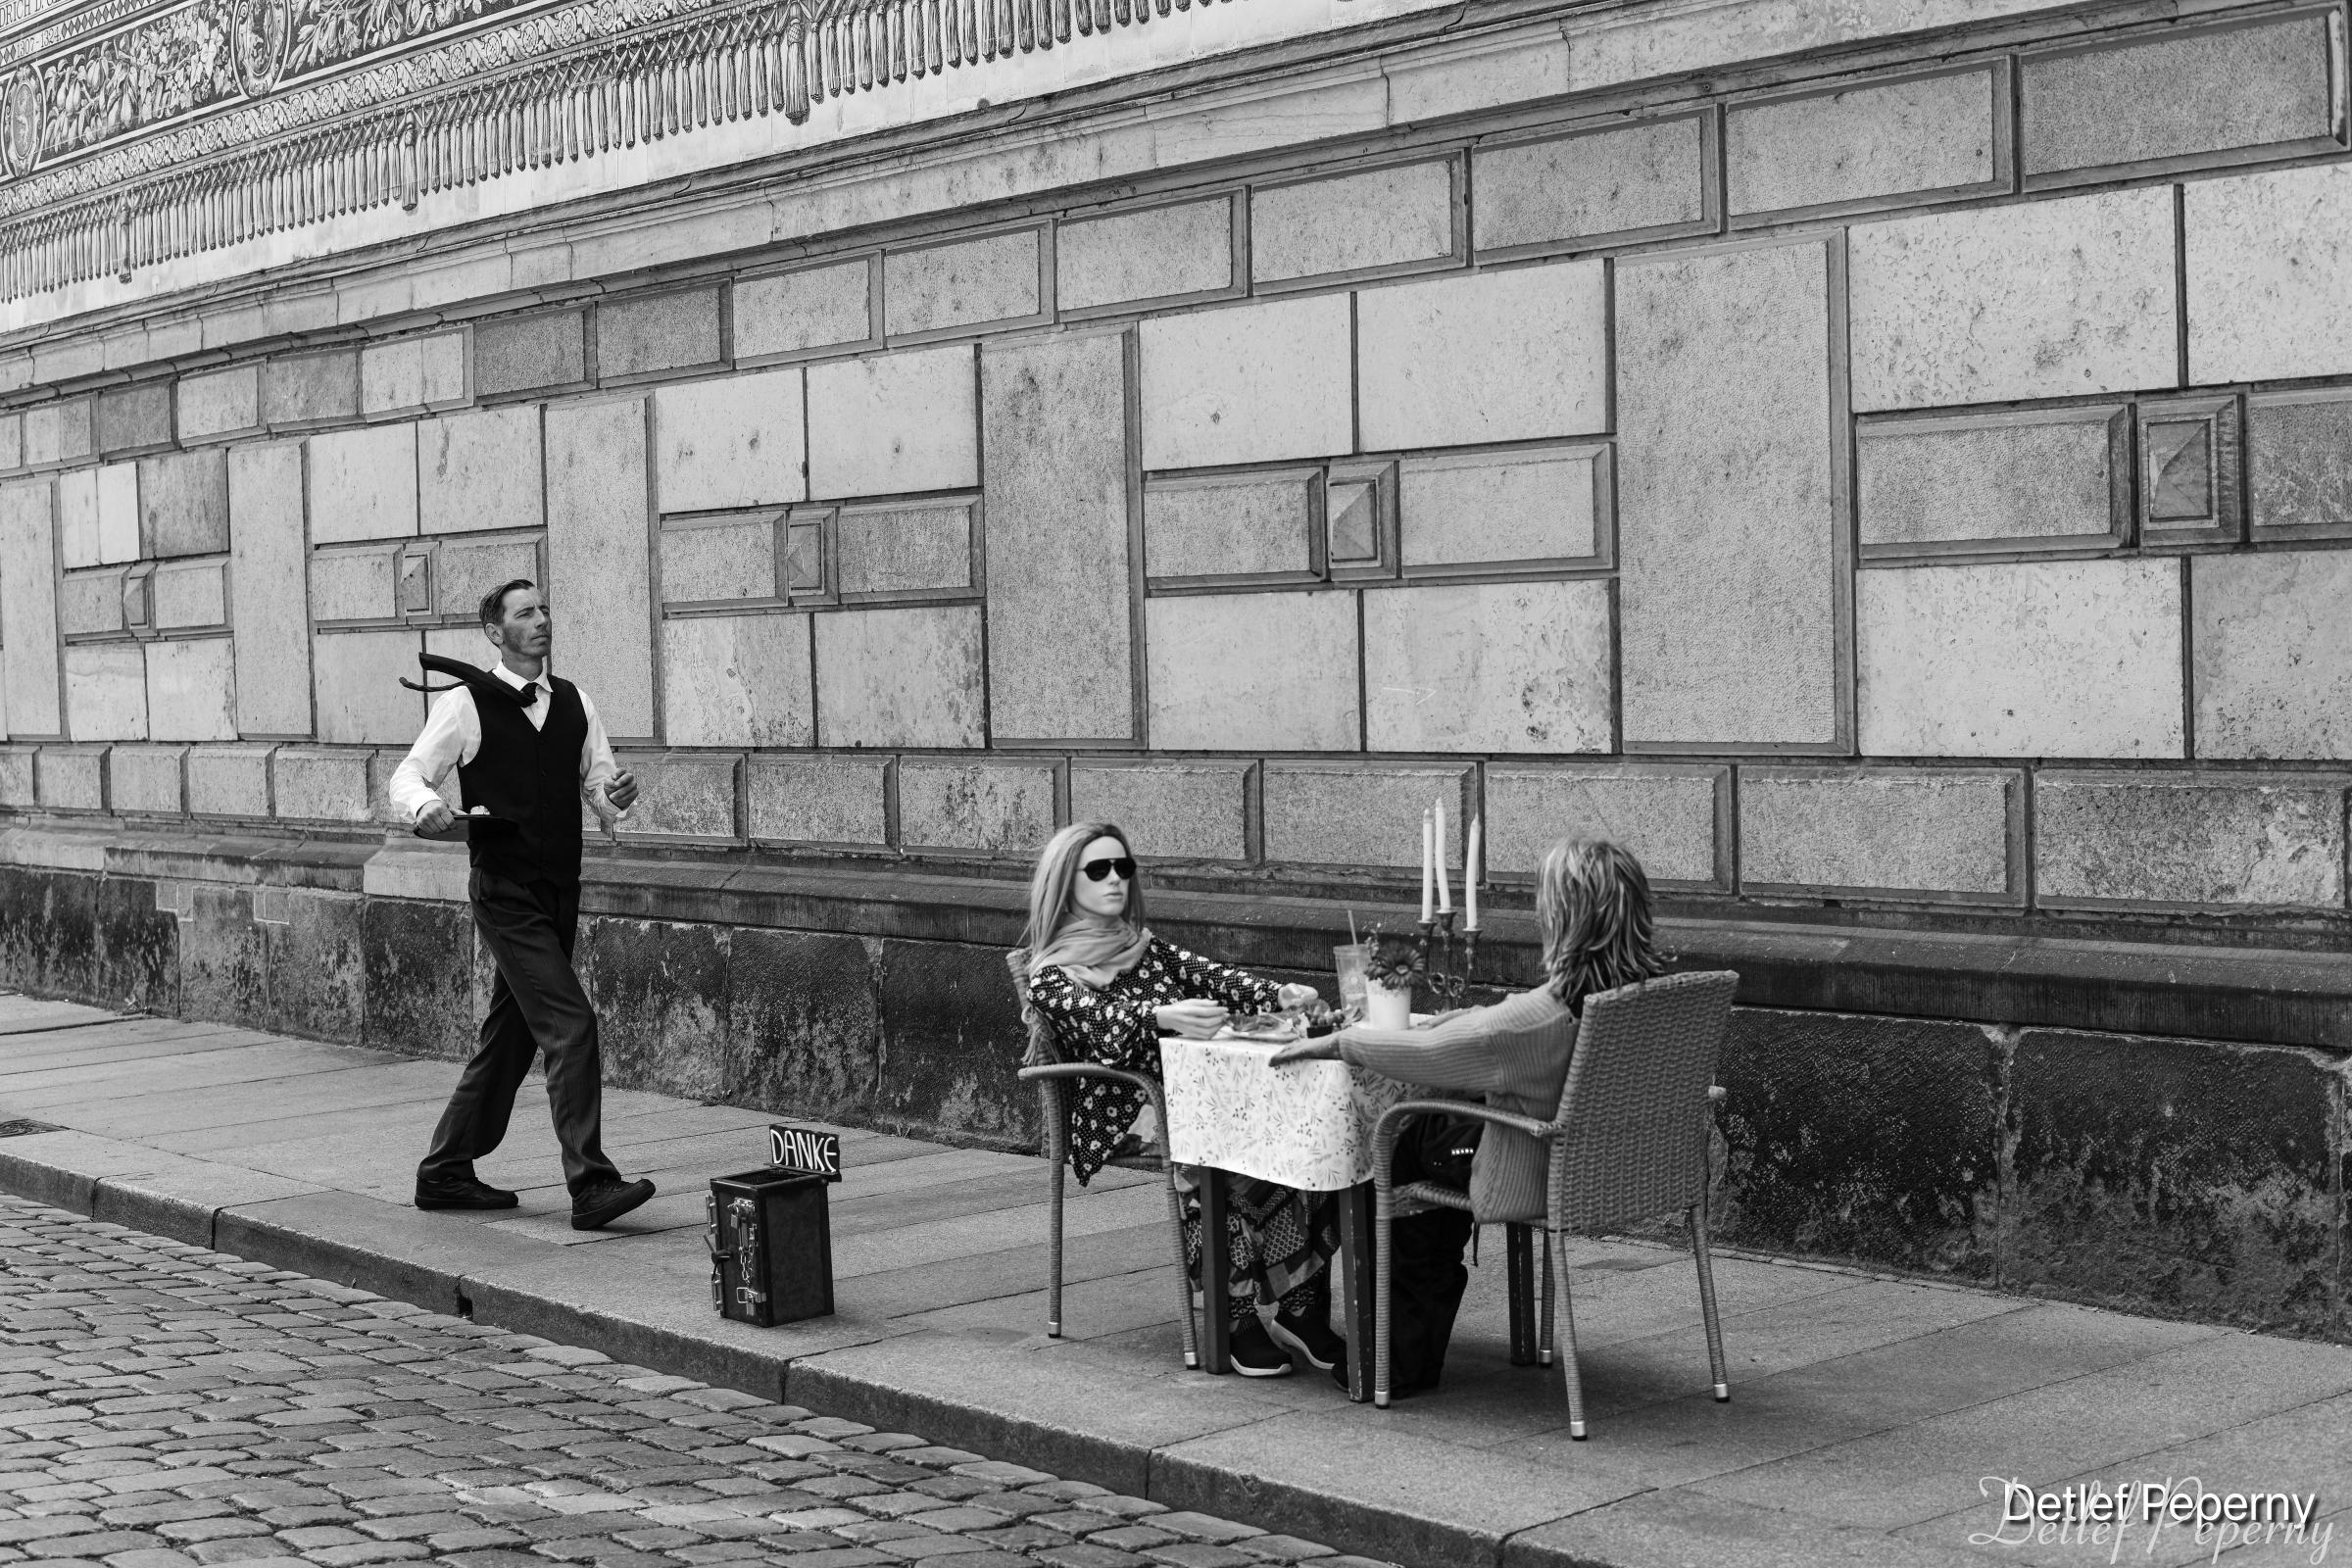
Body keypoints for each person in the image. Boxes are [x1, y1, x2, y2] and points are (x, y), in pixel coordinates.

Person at [1272, 838, 1668, 1395]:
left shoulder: (1538, 1017)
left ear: (1562, 916)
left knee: (1398, 1139)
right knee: (1438, 1139)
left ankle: (1395, 1361)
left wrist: (1339, 1043)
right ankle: (1407, 1345)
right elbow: (1488, 1029)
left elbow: (1430, 1053)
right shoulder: (1650, 997)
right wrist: (1465, 1017)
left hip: (1533, 1167)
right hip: (1624, 1168)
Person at [1019, 821, 1346, 1377]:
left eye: (1123, 867)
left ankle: (1302, 1308)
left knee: (1310, 1136)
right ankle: (1234, 1317)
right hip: (1131, 1112)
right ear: (1064, 882)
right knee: (1220, 1153)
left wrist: (1280, 995)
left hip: (1205, 1098)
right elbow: (1102, 1026)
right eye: (1097, 869)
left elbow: (1218, 978)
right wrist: (1161, 1017)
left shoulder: (1143, 947)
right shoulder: (1050, 975)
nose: (1115, 879)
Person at [387, 578, 658, 1232]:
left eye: (543, 610)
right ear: (495, 632)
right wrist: (426, 807)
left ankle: (445, 1171)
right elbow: (408, 775)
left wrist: (617, 798)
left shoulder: (575, 702)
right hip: (504, 892)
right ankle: (591, 1184)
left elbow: (600, 791)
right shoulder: (464, 704)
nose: (540, 621)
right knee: (571, 1023)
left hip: (559, 890)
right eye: (525, 613)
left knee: (509, 1039)